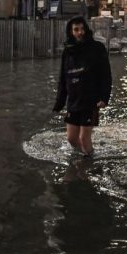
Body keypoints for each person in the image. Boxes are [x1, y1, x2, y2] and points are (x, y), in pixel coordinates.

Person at [53, 16, 112, 157]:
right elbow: (63, 77)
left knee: (84, 138)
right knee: (71, 139)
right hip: (73, 100)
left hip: (90, 99)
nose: (80, 32)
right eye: (76, 29)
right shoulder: (68, 52)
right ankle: (85, 157)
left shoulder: (97, 48)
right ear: (71, 32)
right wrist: (59, 102)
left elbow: (106, 75)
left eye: (82, 29)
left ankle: (88, 162)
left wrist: (104, 97)